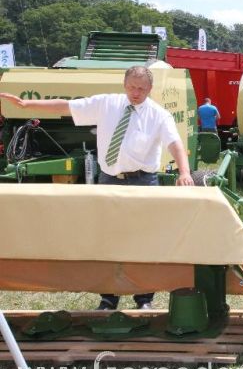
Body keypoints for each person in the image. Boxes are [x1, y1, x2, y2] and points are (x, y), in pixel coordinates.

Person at [0, 65, 194, 310]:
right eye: (132, 87)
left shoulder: (158, 115)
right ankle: (108, 298)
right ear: (125, 85)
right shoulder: (106, 104)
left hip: (143, 182)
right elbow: (66, 107)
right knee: (108, 239)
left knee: (143, 240)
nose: (136, 93)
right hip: (109, 180)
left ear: (150, 89)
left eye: (142, 89)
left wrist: (185, 172)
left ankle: (144, 299)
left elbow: (174, 143)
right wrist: (27, 106)